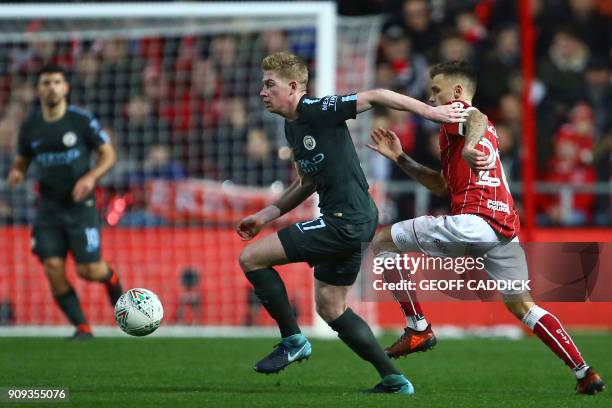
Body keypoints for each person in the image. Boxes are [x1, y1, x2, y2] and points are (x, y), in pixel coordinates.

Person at [368, 60, 605, 395]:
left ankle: (418, 328)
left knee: (382, 242)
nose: (431, 97)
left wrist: (467, 146)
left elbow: (474, 116)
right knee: (524, 306)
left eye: (437, 90)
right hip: (503, 229)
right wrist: (400, 158)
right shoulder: (470, 132)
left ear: (458, 91)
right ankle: (585, 373)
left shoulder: (461, 114)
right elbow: (439, 185)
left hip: (474, 221)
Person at [236, 51, 466, 394]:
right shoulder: (292, 125)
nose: (262, 92)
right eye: (262, 84)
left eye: (270, 84)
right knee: (331, 307)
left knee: (251, 258)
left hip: (346, 220)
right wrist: (264, 215)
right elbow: (306, 183)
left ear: (294, 86)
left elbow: (377, 95)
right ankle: (395, 380)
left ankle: (292, 340)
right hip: (349, 219)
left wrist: (432, 112)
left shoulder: (317, 109)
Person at [7, 65, 123, 339]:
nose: (51, 87)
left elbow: (108, 154)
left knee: (89, 270)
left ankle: (115, 286)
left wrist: (91, 177)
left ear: (65, 88)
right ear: (38, 89)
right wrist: (17, 172)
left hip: (80, 207)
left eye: (57, 82)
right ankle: (82, 327)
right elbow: (23, 159)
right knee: (52, 266)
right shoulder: (30, 127)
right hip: (47, 207)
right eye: (46, 82)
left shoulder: (81, 121)